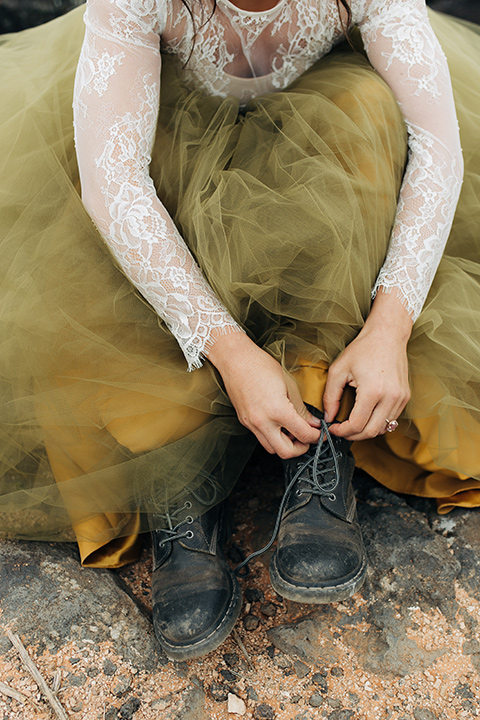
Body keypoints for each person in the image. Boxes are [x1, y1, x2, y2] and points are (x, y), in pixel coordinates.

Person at [0, 0, 479, 661]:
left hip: (313, 136)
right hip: (164, 131)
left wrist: (391, 328)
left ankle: (321, 415)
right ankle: (175, 461)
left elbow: (437, 146)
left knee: (368, 107)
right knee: (83, 232)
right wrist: (225, 349)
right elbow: (114, 185)